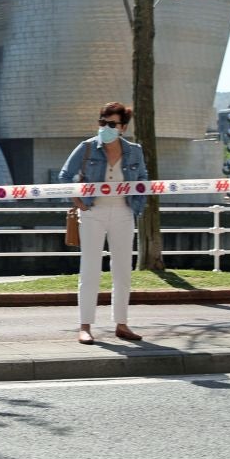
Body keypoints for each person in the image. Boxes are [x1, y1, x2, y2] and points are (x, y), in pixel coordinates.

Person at [58, 102, 148, 345]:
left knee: (122, 271)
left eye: (111, 124)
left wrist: (137, 205)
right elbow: (65, 176)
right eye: (102, 123)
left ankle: (122, 324)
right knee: (90, 270)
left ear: (123, 127)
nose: (105, 128)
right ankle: (85, 326)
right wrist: (79, 202)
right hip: (93, 213)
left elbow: (143, 180)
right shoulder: (87, 147)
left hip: (123, 213)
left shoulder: (135, 151)